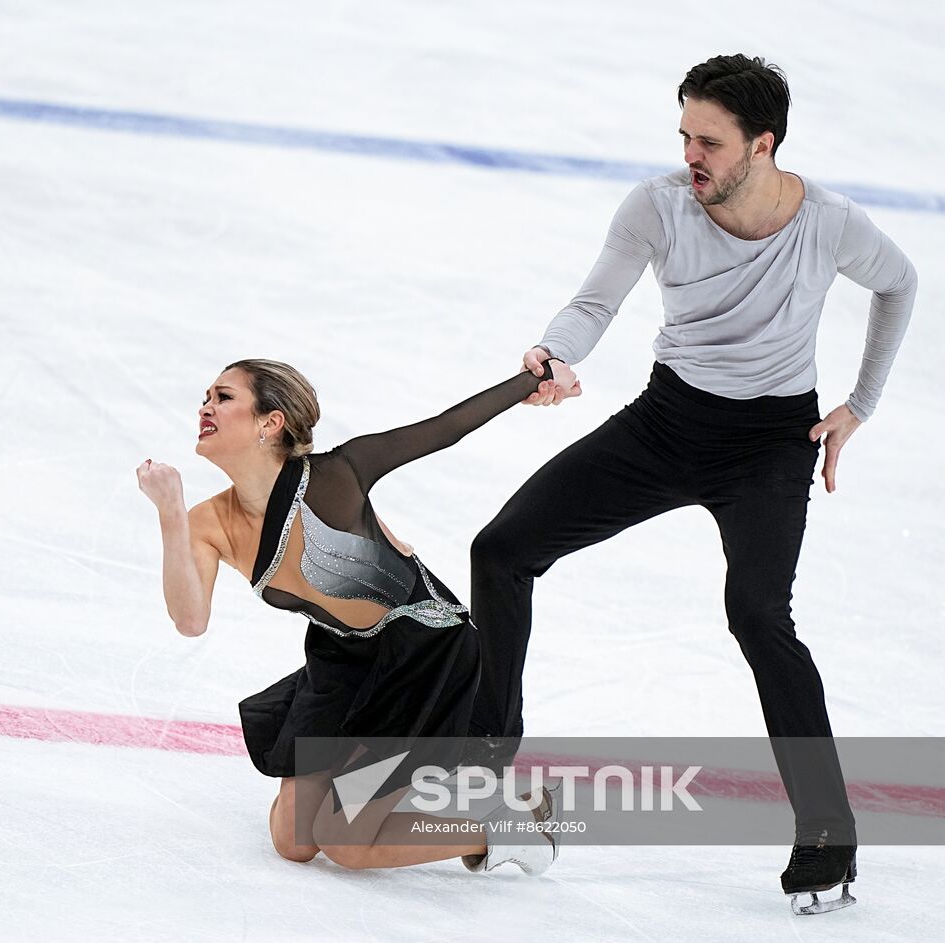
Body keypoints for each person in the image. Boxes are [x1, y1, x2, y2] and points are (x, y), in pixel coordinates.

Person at [468, 54, 916, 914]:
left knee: (757, 612)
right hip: (667, 424)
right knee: (503, 548)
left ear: (764, 143)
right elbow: (594, 304)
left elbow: (899, 283)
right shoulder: (659, 205)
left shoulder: (828, 222)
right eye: (684, 136)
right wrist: (554, 352)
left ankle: (827, 830)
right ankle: (487, 770)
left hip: (769, 446)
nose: (691, 156)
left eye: (709, 141)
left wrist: (859, 406)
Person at [136, 357, 578, 872]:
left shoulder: (335, 476)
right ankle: (392, 794)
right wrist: (170, 513)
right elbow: (191, 620)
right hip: (341, 660)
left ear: (270, 421)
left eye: (223, 396)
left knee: (345, 843)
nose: (205, 405)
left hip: (421, 654)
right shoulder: (209, 521)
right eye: (207, 396)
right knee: (295, 841)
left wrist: (532, 381)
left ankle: (522, 825)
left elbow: (443, 429)